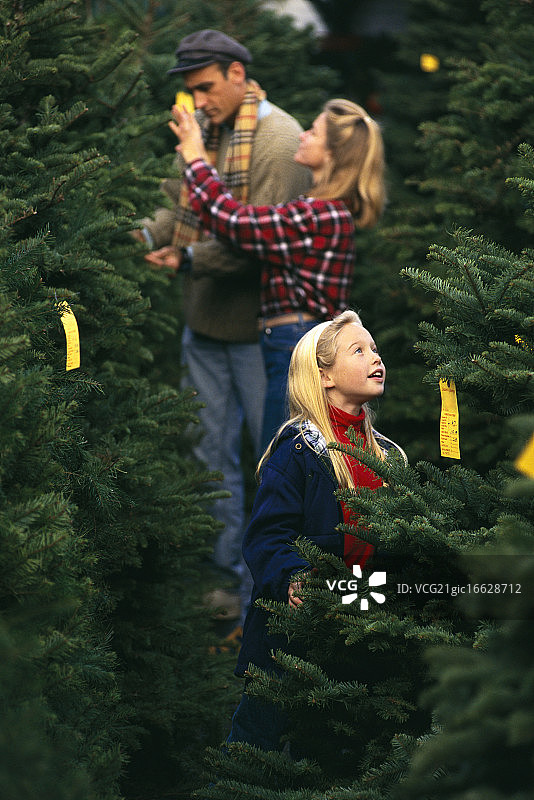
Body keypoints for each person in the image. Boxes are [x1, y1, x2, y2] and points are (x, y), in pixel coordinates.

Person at [139, 30, 312, 621]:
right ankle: (223, 580)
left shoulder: (280, 140)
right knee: (208, 453)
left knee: (271, 460)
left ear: (238, 74)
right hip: (205, 324)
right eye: (192, 90)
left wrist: (187, 259)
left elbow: (251, 240)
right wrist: (141, 236)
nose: (199, 100)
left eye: (206, 87)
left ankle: (272, 585)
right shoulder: (203, 134)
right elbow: (177, 200)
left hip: (264, 331)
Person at [223, 310, 407, 752]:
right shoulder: (298, 451)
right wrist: (294, 578)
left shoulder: (386, 454)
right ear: (324, 376)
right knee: (257, 746)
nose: (375, 357)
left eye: (375, 348)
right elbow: (267, 538)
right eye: (358, 350)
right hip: (293, 633)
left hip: (361, 617)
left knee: (332, 747)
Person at [169, 97, 386, 453]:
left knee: (281, 457)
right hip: (288, 339)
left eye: (313, 131)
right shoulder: (321, 210)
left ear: (333, 152)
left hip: (294, 341)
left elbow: (234, 222)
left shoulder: (319, 214)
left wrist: (195, 157)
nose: (302, 135)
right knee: (286, 453)